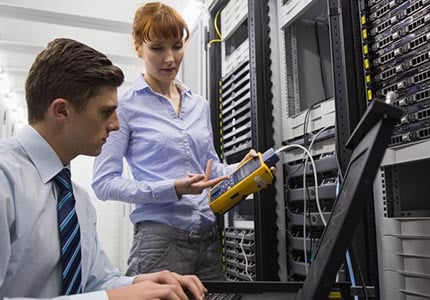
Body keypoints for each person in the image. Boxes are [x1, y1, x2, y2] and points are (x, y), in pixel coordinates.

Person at [0, 38, 206, 300]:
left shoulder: (77, 200)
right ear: (61, 110)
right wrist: (111, 299)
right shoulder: (5, 180)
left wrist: (141, 282)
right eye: (106, 112)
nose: (116, 125)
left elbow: (96, 280)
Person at [92, 2, 256, 281]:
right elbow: (104, 183)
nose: (170, 58)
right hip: (159, 242)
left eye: (177, 46)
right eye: (157, 48)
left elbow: (210, 170)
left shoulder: (199, 105)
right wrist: (172, 189)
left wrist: (243, 169)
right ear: (138, 47)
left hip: (208, 238)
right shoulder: (125, 105)